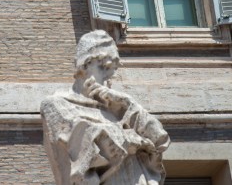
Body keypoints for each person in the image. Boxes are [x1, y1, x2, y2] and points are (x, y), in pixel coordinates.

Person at [40, 30, 170, 185]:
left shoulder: (119, 108)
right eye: (105, 67)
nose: (110, 76)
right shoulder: (59, 104)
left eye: (113, 70)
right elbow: (86, 147)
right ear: (85, 64)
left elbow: (160, 139)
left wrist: (127, 103)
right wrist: (131, 139)